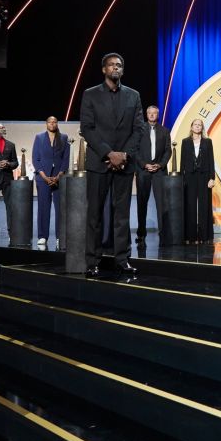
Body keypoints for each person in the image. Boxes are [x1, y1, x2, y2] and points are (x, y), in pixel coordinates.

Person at [80, 53, 144, 277]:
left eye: (119, 65)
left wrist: (123, 155)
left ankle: (122, 260)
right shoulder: (90, 94)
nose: (116, 68)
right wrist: (109, 153)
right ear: (104, 69)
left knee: (122, 215)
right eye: (112, 65)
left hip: (125, 163)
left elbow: (139, 129)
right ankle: (92, 261)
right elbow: (87, 128)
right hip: (99, 162)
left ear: (122, 70)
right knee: (94, 214)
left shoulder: (133, 95)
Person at [135, 105, 172, 246]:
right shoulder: (139, 130)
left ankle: (164, 234)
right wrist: (144, 164)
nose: (151, 115)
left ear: (158, 115)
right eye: (149, 113)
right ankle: (141, 234)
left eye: (154, 113)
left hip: (159, 171)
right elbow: (135, 149)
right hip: (143, 171)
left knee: (162, 204)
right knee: (141, 203)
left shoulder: (164, 131)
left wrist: (160, 165)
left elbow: (168, 151)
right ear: (146, 115)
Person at [31, 116, 70, 247]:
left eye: (54, 122)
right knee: (43, 207)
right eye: (50, 122)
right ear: (46, 124)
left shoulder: (64, 137)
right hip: (43, 178)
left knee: (60, 208)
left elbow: (65, 159)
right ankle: (42, 236)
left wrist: (58, 176)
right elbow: (35, 159)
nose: (52, 124)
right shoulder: (39, 137)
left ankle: (60, 236)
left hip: (59, 177)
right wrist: (45, 177)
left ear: (57, 124)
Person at [180, 118, 215, 243]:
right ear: (191, 127)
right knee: (190, 205)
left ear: (202, 128)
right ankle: (190, 236)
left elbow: (211, 160)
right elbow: (182, 161)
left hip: (204, 176)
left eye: (200, 125)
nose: (197, 126)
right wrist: (182, 178)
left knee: (204, 205)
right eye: (195, 124)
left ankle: (204, 236)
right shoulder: (185, 142)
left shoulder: (208, 142)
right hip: (190, 176)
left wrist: (212, 178)